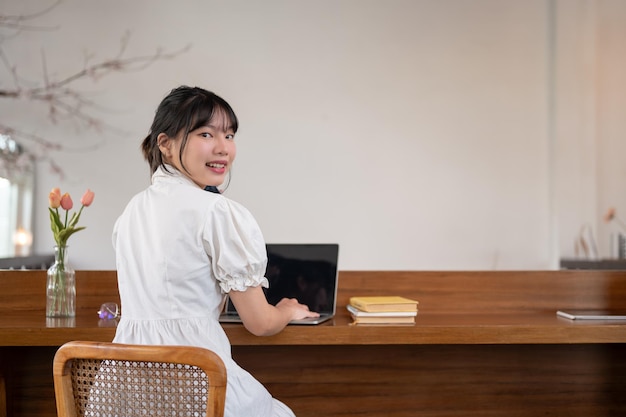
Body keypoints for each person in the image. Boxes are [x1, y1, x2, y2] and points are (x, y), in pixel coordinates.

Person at [111, 85, 319, 417]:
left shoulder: (130, 212)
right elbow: (261, 323)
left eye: (230, 135)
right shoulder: (216, 211)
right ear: (164, 144)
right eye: (206, 134)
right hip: (195, 387)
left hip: (127, 395)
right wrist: (288, 310)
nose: (223, 148)